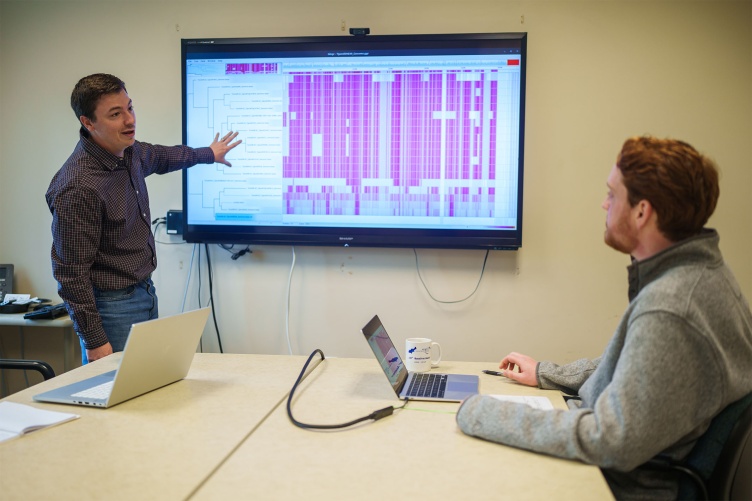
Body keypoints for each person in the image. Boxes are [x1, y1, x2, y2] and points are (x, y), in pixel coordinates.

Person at [456, 136, 752, 500]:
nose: (603, 203)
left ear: (642, 212)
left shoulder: (671, 307)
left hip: (621, 486)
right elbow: (638, 364)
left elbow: (608, 439)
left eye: (612, 194)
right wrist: (547, 373)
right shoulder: (704, 273)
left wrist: (484, 413)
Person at [46, 73, 241, 364]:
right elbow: (71, 274)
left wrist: (207, 154)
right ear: (88, 123)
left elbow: (163, 157)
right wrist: (95, 341)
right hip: (111, 308)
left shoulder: (128, 153)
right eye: (115, 114)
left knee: (145, 388)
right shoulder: (78, 186)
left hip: (144, 293)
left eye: (130, 108)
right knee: (119, 400)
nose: (129, 120)